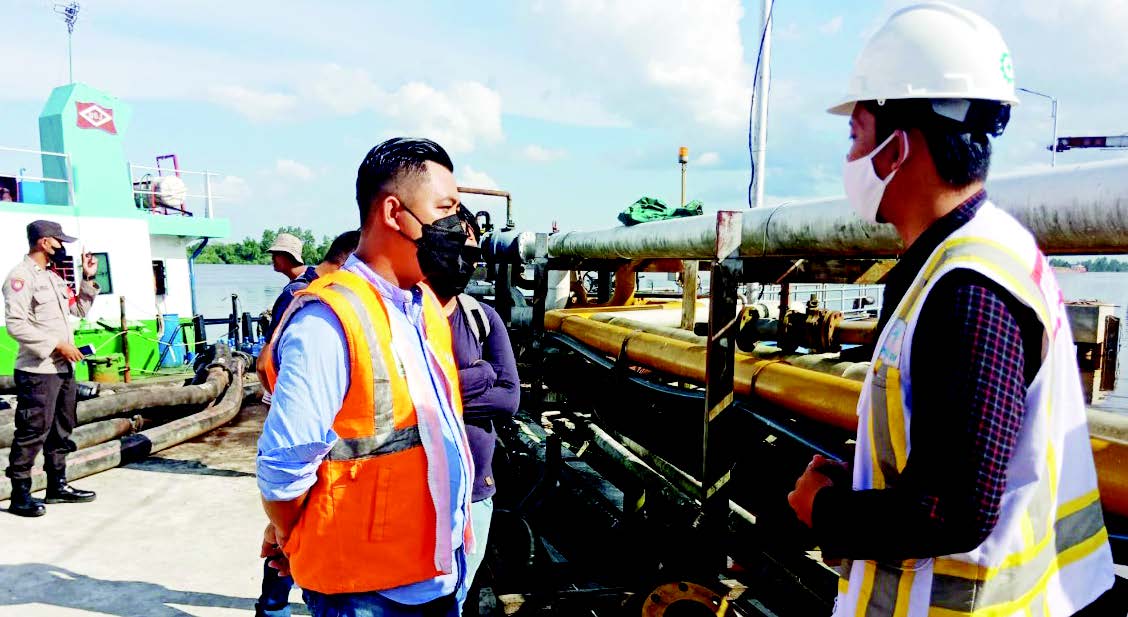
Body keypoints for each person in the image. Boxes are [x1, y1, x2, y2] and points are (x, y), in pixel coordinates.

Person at [786, 4, 1117, 616]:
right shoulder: (970, 255)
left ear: (897, 149)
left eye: (856, 135)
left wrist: (824, 511)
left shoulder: (969, 289)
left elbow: (952, 510)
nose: (851, 156)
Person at [256, 137, 475, 617]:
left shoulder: (423, 308)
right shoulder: (328, 320)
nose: (458, 227)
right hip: (366, 594)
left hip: (436, 574)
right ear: (395, 213)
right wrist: (292, 533)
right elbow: (284, 466)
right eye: (446, 209)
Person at [253, 229, 360, 617]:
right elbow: (266, 363)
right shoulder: (311, 297)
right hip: (309, 437)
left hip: (317, 437)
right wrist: (290, 403)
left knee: (294, 525)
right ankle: (274, 605)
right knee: (290, 527)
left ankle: (276, 602)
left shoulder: (311, 292)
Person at [433, 205, 520, 592]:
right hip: (413, 493)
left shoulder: (481, 318)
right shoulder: (403, 318)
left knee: (459, 593)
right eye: (455, 250)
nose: (464, 263)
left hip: (475, 493)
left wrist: (437, 395)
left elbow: (508, 399)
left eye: (472, 254)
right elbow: (397, 398)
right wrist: (479, 376)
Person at [3, 220, 100, 517]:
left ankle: (57, 486)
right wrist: (57, 345)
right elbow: (15, 325)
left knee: (61, 429)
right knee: (33, 431)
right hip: (39, 370)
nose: (62, 247)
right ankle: (20, 494)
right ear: (44, 242)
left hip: (63, 369)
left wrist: (88, 278)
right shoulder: (20, 277)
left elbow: (78, 309)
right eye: (60, 242)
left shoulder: (53, 278)